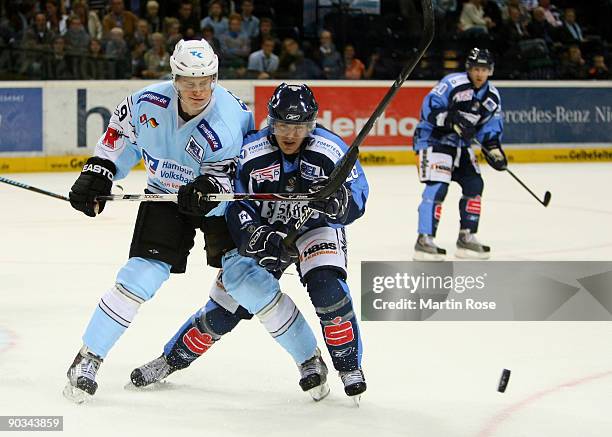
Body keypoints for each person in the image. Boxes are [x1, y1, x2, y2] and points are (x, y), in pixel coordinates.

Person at [130, 83, 370, 402]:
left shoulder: (331, 149)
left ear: (311, 124)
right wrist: (257, 237)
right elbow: (237, 203)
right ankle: (170, 359)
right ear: (271, 122)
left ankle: (349, 367)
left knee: (327, 287)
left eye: (298, 126)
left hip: (316, 229)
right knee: (224, 311)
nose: (289, 134)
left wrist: (340, 204)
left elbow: (358, 194)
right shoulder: (251, 151)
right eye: (282, 124)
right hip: (267, 228)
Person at [63, 38, 260, 403]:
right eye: (189, 81)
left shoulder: (233, 117)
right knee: (140, 275)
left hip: (217, 202)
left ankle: (308, 361)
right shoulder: (146, 102)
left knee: (247, 284)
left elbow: (239, 173)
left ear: (215, 76)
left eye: (206, 81)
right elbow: (118, 138)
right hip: (164, 195)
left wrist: (209, 190)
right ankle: (88, 358)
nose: (198, 90)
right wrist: (99, 172)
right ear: (174, 77)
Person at [412, 48, 507, 261]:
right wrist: (450, 121)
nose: (479, 74)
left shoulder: (492, 96)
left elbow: (489, 127)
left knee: (475, 184)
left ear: (490, 71)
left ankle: (467, 235)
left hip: (461, 145)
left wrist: (494, 149)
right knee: (438, 186)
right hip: (433, 139)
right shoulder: (453, 83)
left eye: (483, 69)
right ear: (469, 69)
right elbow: (429, 109)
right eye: (476, 69)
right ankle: (424, 239)